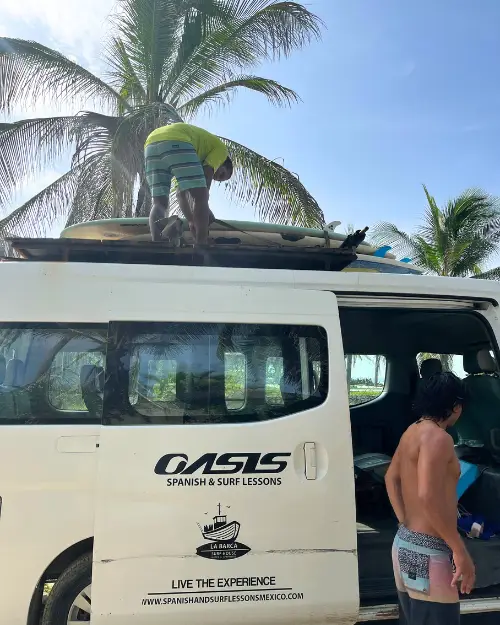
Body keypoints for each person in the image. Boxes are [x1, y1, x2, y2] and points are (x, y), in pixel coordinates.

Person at [385, 371, 475, 625]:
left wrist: (405, 522)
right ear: (455, 406)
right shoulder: (439, 438)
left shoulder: (412, 431)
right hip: (429, 552)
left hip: (403, 543)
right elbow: (427, 495)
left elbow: (391, 478)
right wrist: (459, 551)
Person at [144, 122, 234, 244]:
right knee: (201, 196)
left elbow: (180, 194)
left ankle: (158, 244)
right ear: (224, 162)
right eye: (222, 174)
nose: (215, 177)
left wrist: (191, 220)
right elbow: (207, 176)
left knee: (159, 202)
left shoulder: (190, 160)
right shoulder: (222, 151)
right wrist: (205, 208)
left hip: (151, 144)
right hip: (177, 140)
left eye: (218, 179)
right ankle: (201, 245)